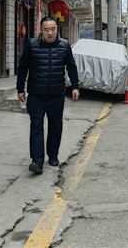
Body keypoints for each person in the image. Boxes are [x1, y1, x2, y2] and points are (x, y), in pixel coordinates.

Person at [17, 16, 80, 175]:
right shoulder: (32, 45)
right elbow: (23, 67)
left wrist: (75, 87)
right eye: (46, 30)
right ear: (41, 30)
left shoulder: (64, 45)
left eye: (53, 29)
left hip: (56, 95)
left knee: (55, 126)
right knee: (36, 127)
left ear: (57, 29)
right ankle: (37, 161)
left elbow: (71, 67)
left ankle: (53, 156)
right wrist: (20, 89)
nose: (50, 33)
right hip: (36, 95)